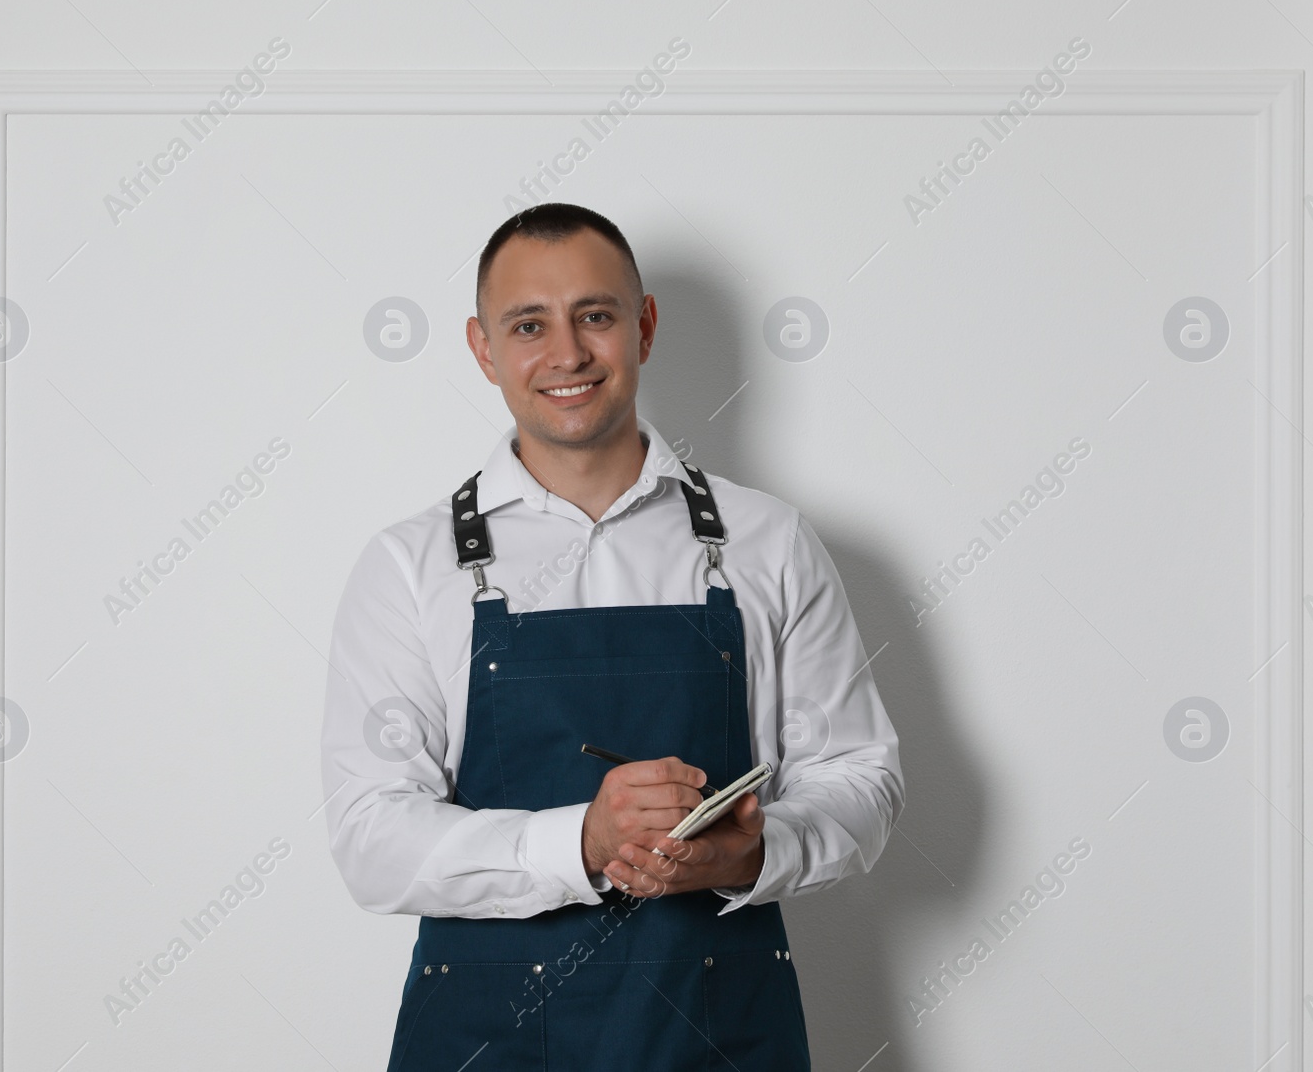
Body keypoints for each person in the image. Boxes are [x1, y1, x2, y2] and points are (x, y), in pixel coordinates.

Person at [320, 202, 904, 1070]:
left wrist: (756, 853)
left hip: (721, 1036)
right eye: (529, 325)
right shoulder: (410, 566)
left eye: (595, 315)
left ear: (644, 326)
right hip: (488, 1040)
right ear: (484, 349)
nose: (567, 354)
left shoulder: (768, 541)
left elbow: (863, 777)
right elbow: (370, 839)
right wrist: (582, 844)